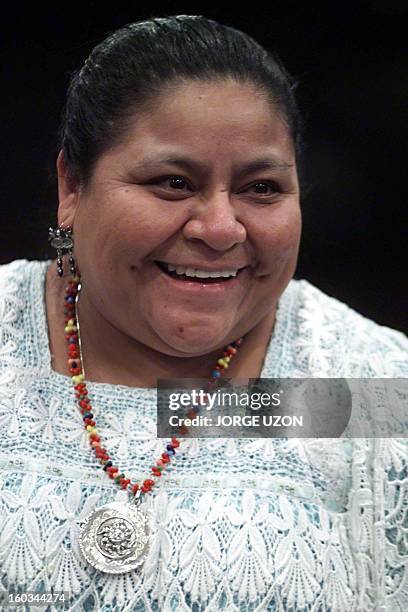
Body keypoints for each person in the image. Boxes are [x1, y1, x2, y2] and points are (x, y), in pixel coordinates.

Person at [0, 14, 406, 611]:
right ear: (71, 186)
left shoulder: (372, 388)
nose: (220, 229)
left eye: (262, 188)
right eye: (172, 182)